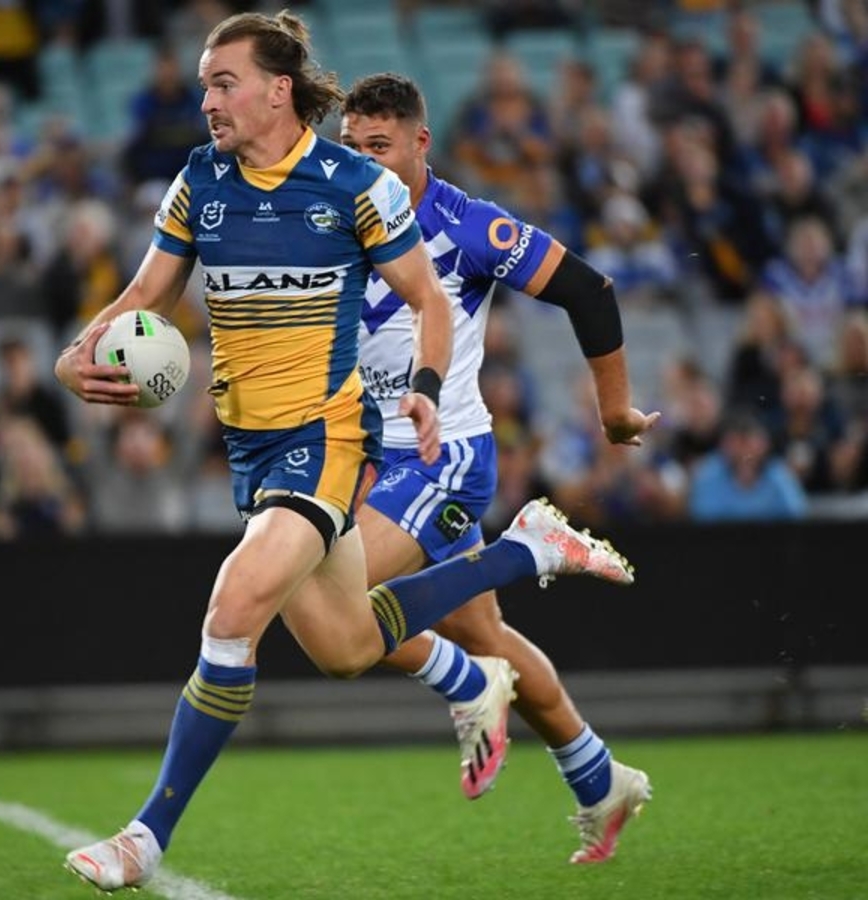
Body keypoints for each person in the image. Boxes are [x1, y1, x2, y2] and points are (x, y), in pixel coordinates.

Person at [55, 12, 640, 890]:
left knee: (237, 605)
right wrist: (79, 353)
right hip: (277, 451)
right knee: (354, 643)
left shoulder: (414, 210)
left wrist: (602, 408)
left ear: (277, 90)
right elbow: (146, 291)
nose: (207, 100)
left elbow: (555, 293)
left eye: (223, 82)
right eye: (204, 85)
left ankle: (145, 837)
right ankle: (573, 714)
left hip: (392, 449)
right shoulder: (210, 180)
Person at [339, 72, 659, 864]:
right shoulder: (335, 215)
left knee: (335, 610)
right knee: (484, 641)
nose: (364, 163)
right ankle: (600, 779)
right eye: (352, 147)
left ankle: (525, 551)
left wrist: (615, 412)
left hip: (440, 456)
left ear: (421, 144)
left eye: (380, 146)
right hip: (370, 462)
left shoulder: (466, 225)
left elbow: (590, 291)